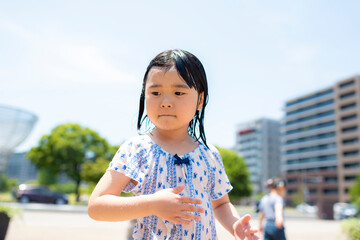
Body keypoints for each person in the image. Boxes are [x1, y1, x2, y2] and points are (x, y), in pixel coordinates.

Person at [88, 49, 259, 240]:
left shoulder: (210, 154)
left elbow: (220, 204)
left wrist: (235, 225)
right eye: (155, 92)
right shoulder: (137, 148)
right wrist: (152, 204)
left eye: (178, 92)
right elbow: (97, 206)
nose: (166, 102)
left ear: (200, 100)